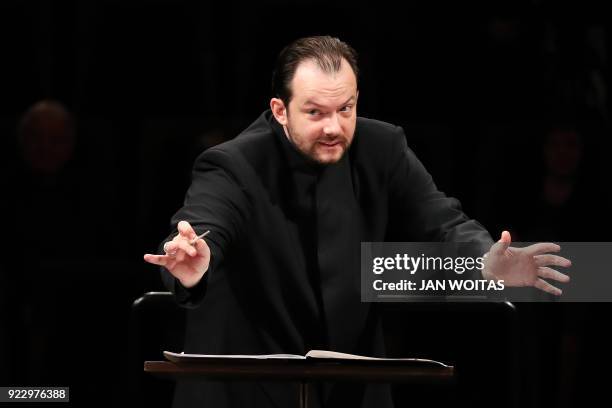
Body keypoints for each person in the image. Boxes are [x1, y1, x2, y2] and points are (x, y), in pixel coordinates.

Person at [144, 36, 570, 408]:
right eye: (315, 112)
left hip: (352, 385)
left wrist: (483, 262)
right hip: (246, 389)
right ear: (279, 109)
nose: (334, 127)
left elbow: (442, 220)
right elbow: (204, 226)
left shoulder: (383, 146)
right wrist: (195, 266)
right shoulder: (232, 163)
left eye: (345, 108)